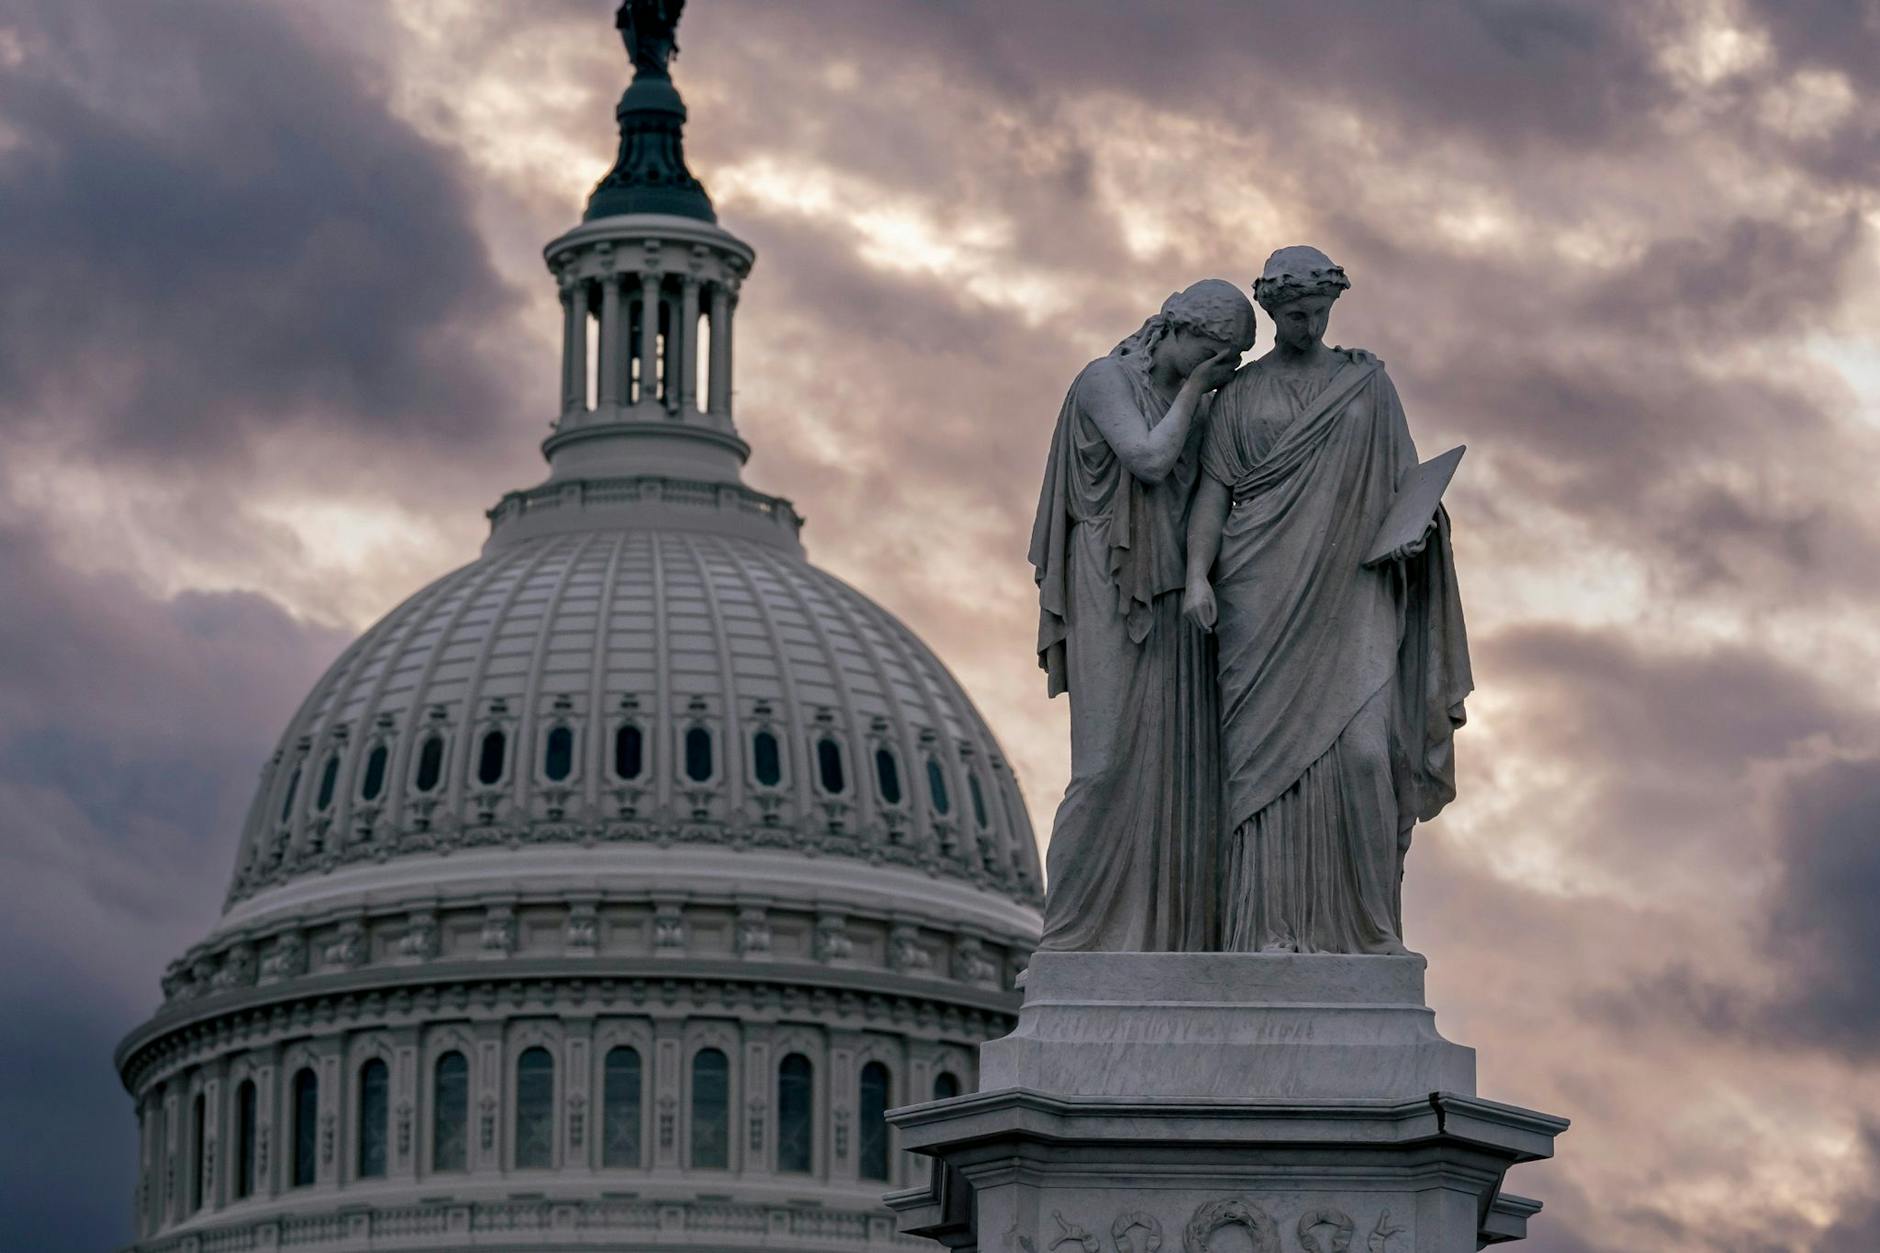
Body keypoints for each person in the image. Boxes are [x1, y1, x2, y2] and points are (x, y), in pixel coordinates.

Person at [1184, 247, 1472, 955]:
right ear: (1272, 313)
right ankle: (1267, 930)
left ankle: (1368, 930)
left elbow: (1409, 486)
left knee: (1367, 756)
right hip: (1259, 593)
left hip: (1354, 589)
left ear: (1333, 307)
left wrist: (1418, 531)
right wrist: (1195, 575)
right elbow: (1213, 495)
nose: (1306, 324)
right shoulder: (1242, 395)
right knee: (1260, 772)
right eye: (1292, 314)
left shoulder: (1367, 387)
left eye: (1316, 312)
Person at [1029, 279, 1255, 951]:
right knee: (1102, 766)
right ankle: (1069, 938)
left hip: (1175, 599)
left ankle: (1162, 939)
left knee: (1172, 776)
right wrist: (1196, 392)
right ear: (1181, 334)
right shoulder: (1105, 380)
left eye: (1238, 361)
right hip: (1109, 577)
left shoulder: (1203, 409)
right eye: (1221, 356)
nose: (1228, 372)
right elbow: (1150, 459)